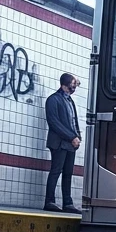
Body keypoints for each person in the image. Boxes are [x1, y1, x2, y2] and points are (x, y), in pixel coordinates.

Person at [44, 72, 81, 213]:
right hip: (59, 143)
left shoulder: (69, 101)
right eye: (72, 86)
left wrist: (77, 137)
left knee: (68, 173)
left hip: (70, 143)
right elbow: (54, 123)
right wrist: (72, 136)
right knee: (56, 171)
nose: (74, 88)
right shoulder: (53, 100)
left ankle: (68, 203)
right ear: (63, 86)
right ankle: (49, 201)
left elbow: (73, 121)